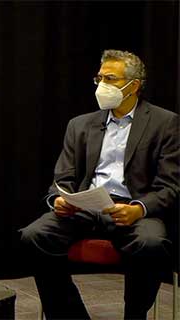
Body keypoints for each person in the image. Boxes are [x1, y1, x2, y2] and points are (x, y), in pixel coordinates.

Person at [19, 49, 179, 319]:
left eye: (111, 79)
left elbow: (169, 185)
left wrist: (139, 209)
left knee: (152, 243)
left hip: (133, 209)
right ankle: (70, 315)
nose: (102, 85)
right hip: (85, 206)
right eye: (99, 78)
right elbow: (63, 178)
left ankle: (135, 315)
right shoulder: (80, 125)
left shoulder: (165, 123)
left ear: (134, 85)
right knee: (33, 236)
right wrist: (59, 199)